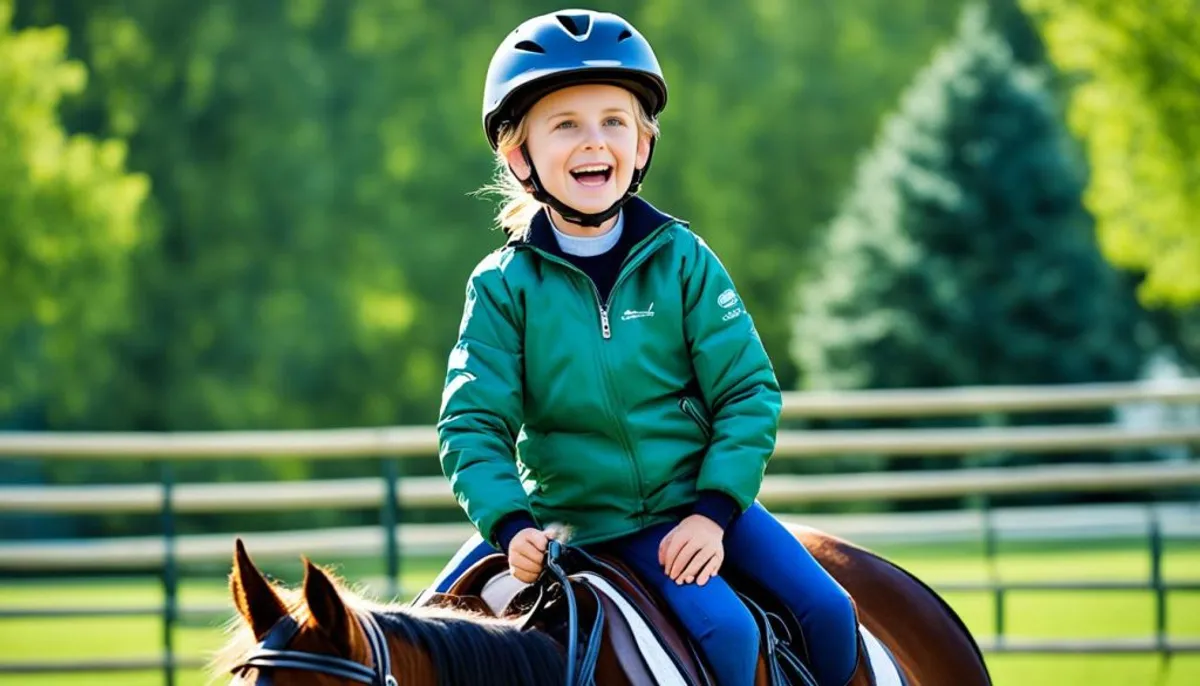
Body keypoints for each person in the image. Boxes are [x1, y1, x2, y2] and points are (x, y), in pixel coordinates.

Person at [432, 9, 859, 686]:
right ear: (520, 155)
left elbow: (747, 392)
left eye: (613, 121)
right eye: (565, 124)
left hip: (691, 508)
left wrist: (713, 514)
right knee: (433, 627)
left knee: (818, 612)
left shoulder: (683, 262)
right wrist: (510, 526)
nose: (592, 141)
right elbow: (471, 425)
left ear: (642, 143)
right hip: (564, 524)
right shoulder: (502, 287)